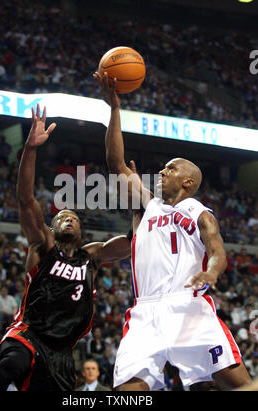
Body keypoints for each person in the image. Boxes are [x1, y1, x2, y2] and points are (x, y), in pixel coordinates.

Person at [93, 71, 252, 391]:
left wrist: (211, 273)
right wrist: (113, 109)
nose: (162, 171)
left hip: (189, 308)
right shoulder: (148, 206)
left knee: (233, 386)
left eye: (171, 168)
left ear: (188, 182)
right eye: (163, 167)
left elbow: (218, 250)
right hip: (145, 312)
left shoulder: (199, 212)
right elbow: (116, 163)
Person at [0, 104, 131, 392]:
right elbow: (26, 200)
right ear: (52, 227)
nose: (67, 219)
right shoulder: (43, 245)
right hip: (29, 335)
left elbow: (130, 244)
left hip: (62, 352)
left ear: (81, 231)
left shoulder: (93, 255)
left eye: (73, 218)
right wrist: (31, 149)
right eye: (61, 217)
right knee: (9, 368)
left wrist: (139, 202)